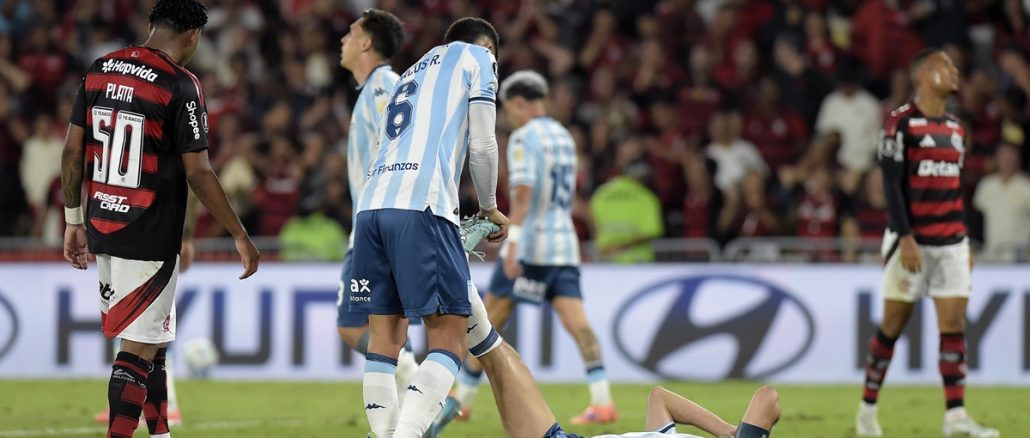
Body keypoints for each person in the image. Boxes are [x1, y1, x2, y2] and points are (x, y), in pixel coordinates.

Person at [60, 1, 260, 437]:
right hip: (149, 231)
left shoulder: (100, 68)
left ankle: (162, 434)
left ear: (152, 25)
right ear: (193, 37)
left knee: (152, 342)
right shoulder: (180, 84)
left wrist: (73, 219)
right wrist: (239, 234)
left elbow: (73, 152)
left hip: (102, 224)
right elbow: (200, 173)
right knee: (136, 352)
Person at [349, 17, 508, 438]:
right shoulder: (480, 59)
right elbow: (483, 143)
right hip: (421, 205)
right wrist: (490, 207)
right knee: (449, 337)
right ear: (487, 46)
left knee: (384, 339)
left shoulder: (411, 72)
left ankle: (385, 434)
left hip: (371, 208)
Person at [452, 70, 616, 425]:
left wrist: (514, 246)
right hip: (564, 245)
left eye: (508, 107)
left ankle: (461, 400)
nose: (508, 115)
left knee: (486, 319)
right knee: (579, 325)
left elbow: (523, 196)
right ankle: (602, 400)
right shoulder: (565, 137)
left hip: (531, 248)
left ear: (520, 103)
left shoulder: (524, 138)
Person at [855, 48, 999, 437]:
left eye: (955, 65)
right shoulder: (900, 123)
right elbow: (891, 185)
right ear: (922, 75)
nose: (954, 71)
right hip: (912, 241)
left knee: (953, 326)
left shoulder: (955, 127)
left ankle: (955, 417)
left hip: (950, 242)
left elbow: (955, 189)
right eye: (944, 66)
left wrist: (965, 240)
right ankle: (867, 410)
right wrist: (905, 237)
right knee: (892, 326)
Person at [333, 7, 420, 396]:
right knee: (385, 326)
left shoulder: (385, 84)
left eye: (350, 34)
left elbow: (405, 144)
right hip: (381, 224)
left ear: (366, 42)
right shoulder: (374, 87)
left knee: (354, 325)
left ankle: (421, 384)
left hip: (378, 227)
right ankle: (416, 406)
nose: (343, 40)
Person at [972, 143, 1030, 262]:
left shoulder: (1026, 185)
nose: (1007, 161)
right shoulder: (986, 185)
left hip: (1020, 255)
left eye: (1011, 157)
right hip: (991, 253)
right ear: (996, 160)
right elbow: (977, 217)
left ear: (1018, 159)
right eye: (1003, 157)